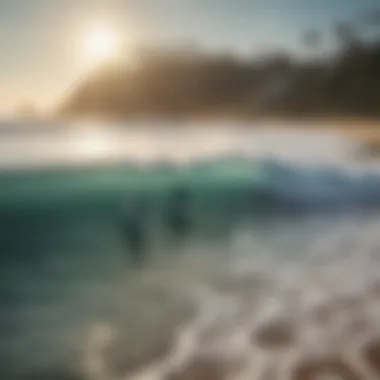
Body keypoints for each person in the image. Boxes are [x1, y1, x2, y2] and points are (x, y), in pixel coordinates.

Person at [121, 199, 147, 265]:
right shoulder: (131, 218)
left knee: (135, 246)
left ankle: (137, 259)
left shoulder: (131, 217)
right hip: (134, 231)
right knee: (135, 246)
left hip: (134, 231)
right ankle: (136, 259)